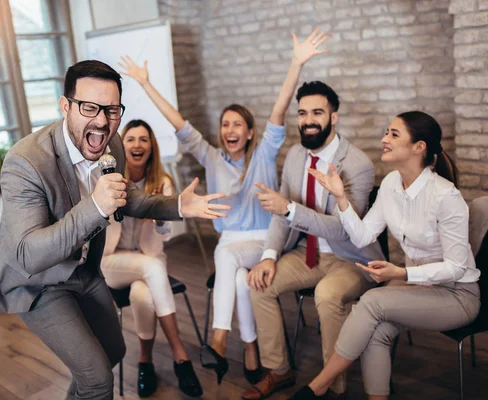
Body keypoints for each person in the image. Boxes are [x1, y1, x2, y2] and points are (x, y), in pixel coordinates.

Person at [0, 60, 230, 400]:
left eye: (111, 110)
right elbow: (28, 254)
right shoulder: (27, 162)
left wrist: (178, 206)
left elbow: (125, 197)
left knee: (112, 353)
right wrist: (94, 206)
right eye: (89, 107)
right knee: (96, 379)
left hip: (85, 270)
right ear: (66, 106)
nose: (102, 121)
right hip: (37, 282)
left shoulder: (114, 143)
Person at [118, 28, 330, 385]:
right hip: (231, 241)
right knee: (239, 280)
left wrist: (296, 63)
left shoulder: (263, 153)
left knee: (227, 259)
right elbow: (178, 121)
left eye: (238, 124)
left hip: (266, 240)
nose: (230, 129)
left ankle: (218, 339)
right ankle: (250, 352)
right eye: (225, 124)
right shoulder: (211, 157)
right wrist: (145, 84)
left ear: (249, 133)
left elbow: (279, 110)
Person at [290, 111, 481, 400]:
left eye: (394, 134)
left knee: (370, 302)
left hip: (457, 295)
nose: (384, 139)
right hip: (419, 288)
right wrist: (341, 198)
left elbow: (456, 268)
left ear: (419, 147)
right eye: (386, 133)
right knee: (376, 330)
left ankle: (317, 386)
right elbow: (363, 236)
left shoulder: (446, 197)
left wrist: (402, 273)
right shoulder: (392, 183)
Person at [242, 79, 386, 400]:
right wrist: (268, 255)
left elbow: (343, 229)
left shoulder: (358, 164)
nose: (308, 120)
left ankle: (332, 388)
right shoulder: (295, 155)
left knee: (327, 294)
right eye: (303, 113)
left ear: (333, 117)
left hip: (351, 257)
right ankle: (278, 371)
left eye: (317, 113)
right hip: (305, 254)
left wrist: (290, 209)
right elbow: (282, 213)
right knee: (257, 282)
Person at [100, 119, 201, 397]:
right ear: (122, 146)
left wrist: (159, 218)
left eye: (144, 139)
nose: (137, 145)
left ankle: (145, 362)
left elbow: (165, 236)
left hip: (148, 261)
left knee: (143, 296)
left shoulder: (163, 182)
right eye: (131, 139)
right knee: (154, 268)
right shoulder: (109, 181)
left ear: (151, 147)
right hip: (113, 263)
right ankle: (180, 353)